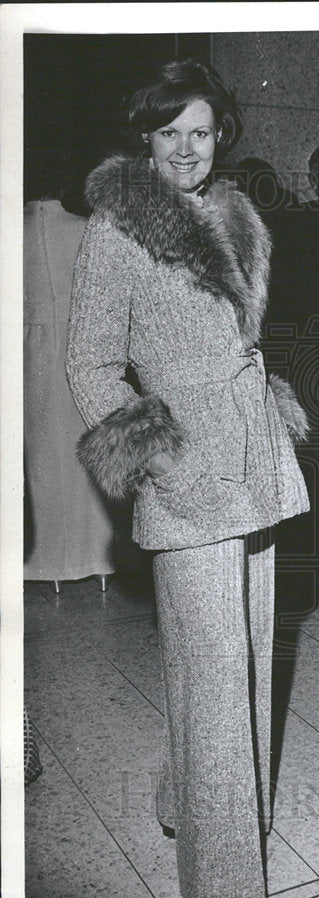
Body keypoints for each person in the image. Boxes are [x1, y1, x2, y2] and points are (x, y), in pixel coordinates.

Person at [66, 59, 310, 898]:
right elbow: (89, 364)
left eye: (199, 131)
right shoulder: (115, 229)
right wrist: (158, 459)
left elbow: (238, 340)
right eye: (168, 131)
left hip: (253, 458)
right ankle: (218, 883)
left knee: (241, 660)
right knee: (212, 673)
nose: (184, 148)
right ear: (145, 135)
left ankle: (196, 806)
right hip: (186, 472)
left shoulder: (237, 213)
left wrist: (266, 411)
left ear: (222, 136)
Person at [24, 147, 117, 589]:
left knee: (34, 455)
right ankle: (95, 558)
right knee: (83, 453)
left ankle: (41, 560)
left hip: (25, 353)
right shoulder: (86, 230)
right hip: (79, 348)